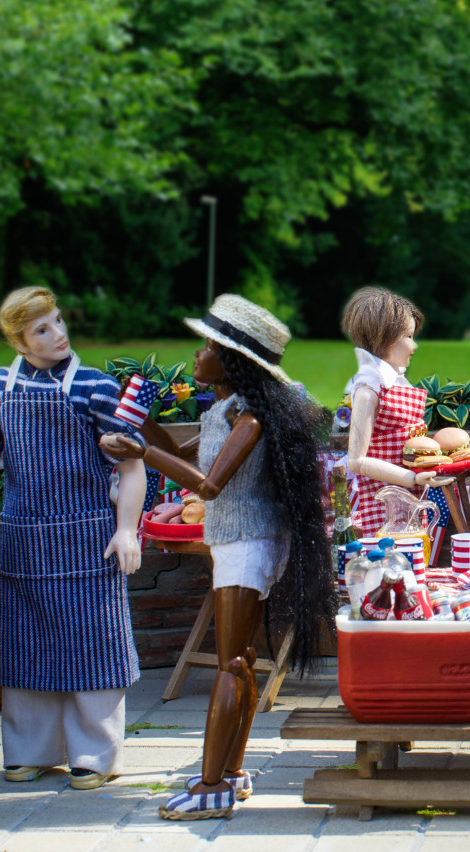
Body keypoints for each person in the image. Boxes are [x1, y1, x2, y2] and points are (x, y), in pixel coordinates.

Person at [101, 295, 335, 820]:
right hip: (236, 543)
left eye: (208, 346)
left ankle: (211, 788)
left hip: (248, 544)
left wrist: (142, 453)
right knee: (241, 661)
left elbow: (208, 485)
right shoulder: (221, 412)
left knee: (231, 662)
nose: (198, 354)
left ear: (233, 361)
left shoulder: (250, 418)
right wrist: (141, 421)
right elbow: (179, 456)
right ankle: (230, 773)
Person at [0, 286, 146, 791]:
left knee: (95, 646)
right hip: (24, 541)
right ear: (20, 341)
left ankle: (95, 755)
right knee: (26, 647)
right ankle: (28, 751)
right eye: (42, 329)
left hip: (89, 540)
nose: (58, 334)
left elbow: (131, 465)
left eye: (58, 321)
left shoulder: (93, 386)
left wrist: (126, 529)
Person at [341, 287, 440, 537]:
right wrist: (411, 477)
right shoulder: (369, 389)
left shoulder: (392, 382)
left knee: (413, 546)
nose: (414, 345)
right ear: (385, 337)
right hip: (382, 498)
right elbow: (356, 460)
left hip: (409, 493)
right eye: (408, 336)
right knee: (387, 549)